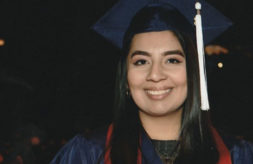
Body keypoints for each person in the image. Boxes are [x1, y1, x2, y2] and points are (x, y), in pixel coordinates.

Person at [50, 0, 253, 164]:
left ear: (194, 71)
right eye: (141, 61)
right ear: (126, 77)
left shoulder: (237, 156)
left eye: (172, 60)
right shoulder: (87, 154)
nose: (155, 74)